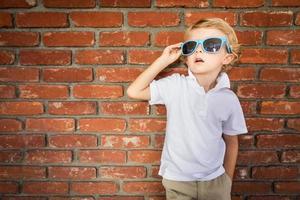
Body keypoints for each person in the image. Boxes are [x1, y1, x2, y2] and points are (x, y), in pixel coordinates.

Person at [127, 18, 248, 200]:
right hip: (177, 181)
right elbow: (134, 91)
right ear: (186, 56)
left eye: (211, 45)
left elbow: (232, 141)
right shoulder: (175, 86)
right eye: (191, 46)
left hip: (216, 182)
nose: (199, 50)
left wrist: (227, 180)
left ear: (227, 57)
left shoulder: (228, 99)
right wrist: (163, 60)